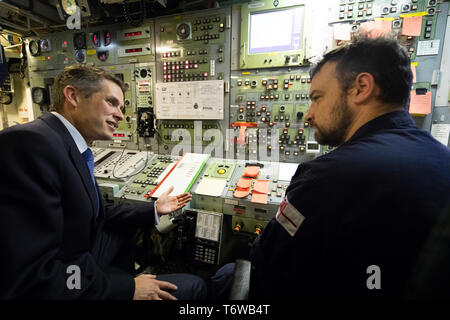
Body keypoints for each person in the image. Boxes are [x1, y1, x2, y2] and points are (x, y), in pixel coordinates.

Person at [245, 37, 450, 298]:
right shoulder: (443, 158)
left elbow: (268, 264)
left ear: (361, 88)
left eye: (317, 98)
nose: (308, 114)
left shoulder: (329, 176)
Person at [0, 65, 207, 300]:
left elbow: (96, 212)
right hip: (63, 280)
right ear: (73, 96)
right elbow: (35, 277)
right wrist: (128, 288)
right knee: (195, 285)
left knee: (125, 230)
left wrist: (153, 209)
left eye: (122, 106)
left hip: (77, 259)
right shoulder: (30, 144)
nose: (121, 115)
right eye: (111, 102)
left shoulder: (63, 142)